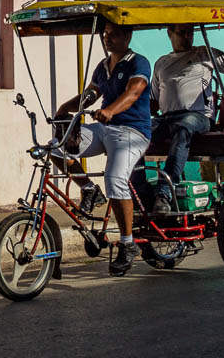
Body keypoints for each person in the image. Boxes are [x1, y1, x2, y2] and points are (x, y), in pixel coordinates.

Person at [51, 22, 151, 276]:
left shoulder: (138, 62)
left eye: (114, 34)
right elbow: (91, 94)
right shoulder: (102, 66)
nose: (108, 39)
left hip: (132, 131)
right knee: (56, 147)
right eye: (105, 35)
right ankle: (88, 189)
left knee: (115, 179)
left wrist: (110, 110)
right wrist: (65, 107)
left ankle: (128, 244)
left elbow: (134, 91)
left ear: (128, 36)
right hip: (105, 130)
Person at [147, 23, 224, 214]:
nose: (187, 37)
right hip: (167, 118)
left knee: (183, 128)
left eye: (190, 32)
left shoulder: (205, 54)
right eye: (181, 32)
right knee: (134, 132)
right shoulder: (161, 63)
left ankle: (164, 192)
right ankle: (139, 189)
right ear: (169, 33)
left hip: (197, 117)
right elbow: (153, 102)